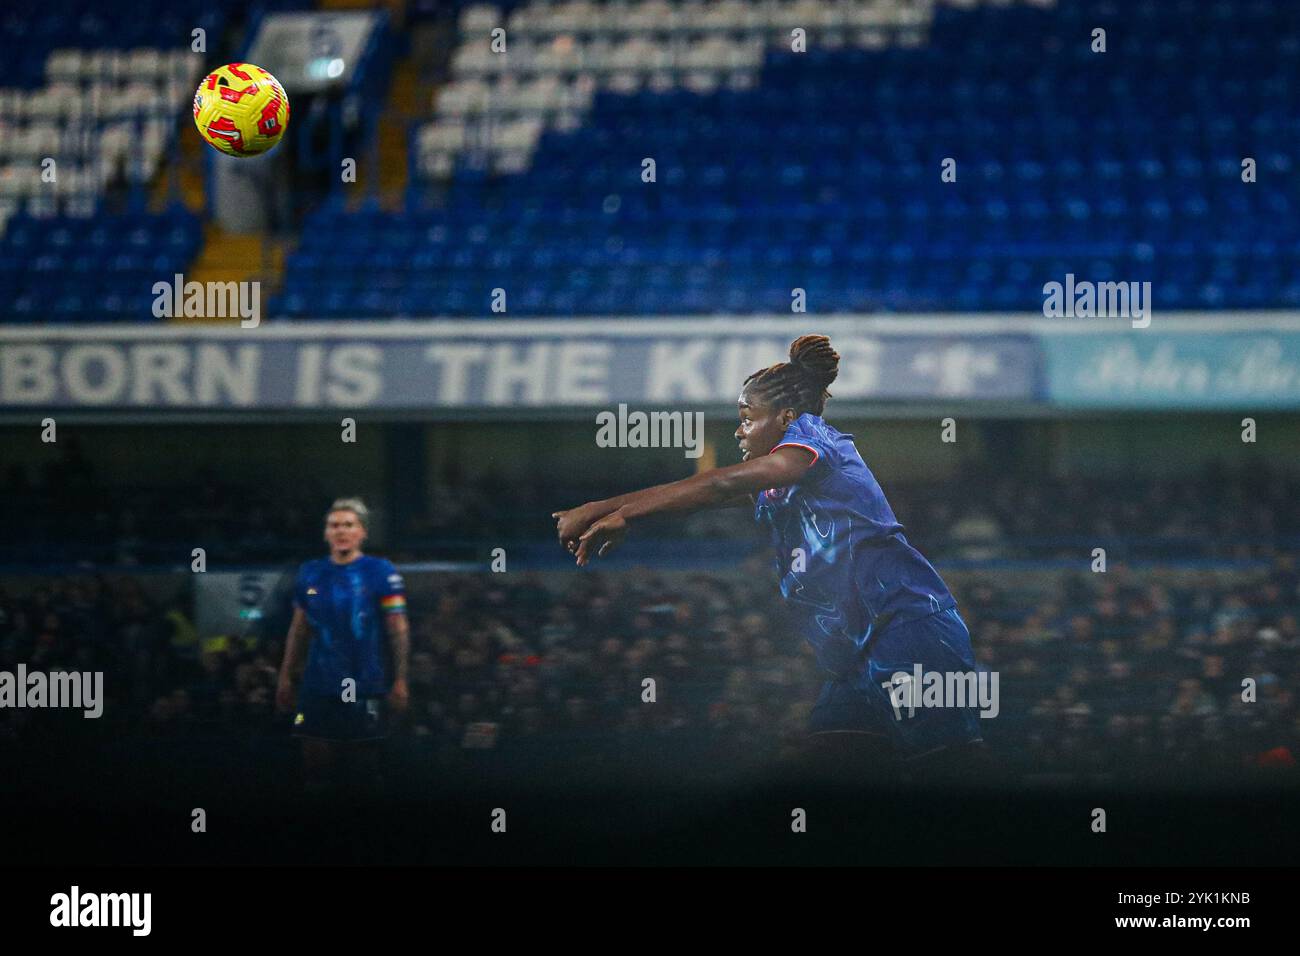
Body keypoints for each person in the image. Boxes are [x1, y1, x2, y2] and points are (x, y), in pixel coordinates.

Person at [553, 335, 987, 774]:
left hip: (909, 630)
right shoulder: (780, 482)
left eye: (746, 417)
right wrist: (612, 511)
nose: (739, 430)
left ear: (785, 417)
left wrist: (601, 510)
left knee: (951, 773)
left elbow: (721, 484)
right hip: (854, 655)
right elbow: (702, 496)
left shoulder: (815, 441)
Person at [275, 499, 409, 795]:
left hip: (365, 681)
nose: (341, 530)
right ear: (325, 533)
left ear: (362, 532)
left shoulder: (381, 571)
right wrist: (285, 674)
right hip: (317, 682)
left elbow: (397, 627)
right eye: (334, 525)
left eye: (348, 524)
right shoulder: (310, 572)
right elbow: (299, 628)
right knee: (314, 767)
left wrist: (400, 678)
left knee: (364, 767)